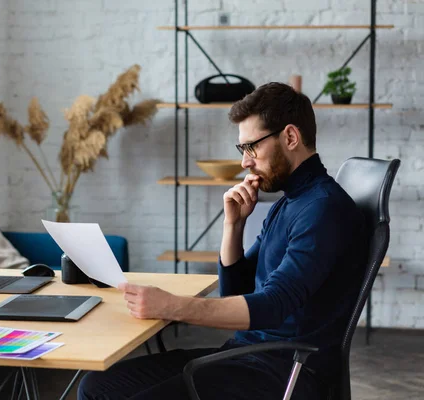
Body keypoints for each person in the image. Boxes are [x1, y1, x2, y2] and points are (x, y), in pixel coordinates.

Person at [77, 82, 368, 400]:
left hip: (286, 370)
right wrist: (234, 225)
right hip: (249, 354)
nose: (245, 162)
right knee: (96, 386)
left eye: (251, 147)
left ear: (290, 137)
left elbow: (271, 306)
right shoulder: (290, 202)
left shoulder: (322, 208)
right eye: (242, 149)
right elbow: (238, 293)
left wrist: (172, 307)